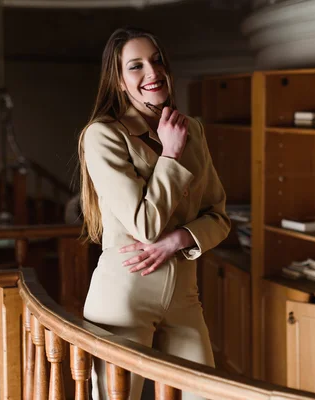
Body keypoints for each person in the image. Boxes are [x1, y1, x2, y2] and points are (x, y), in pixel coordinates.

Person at [77, 26, 230, 400]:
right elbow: (143, 226)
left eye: (157, 60)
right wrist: (170, 155)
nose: (152, 72)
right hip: (125, 295)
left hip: (184, 295)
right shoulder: (103, 135)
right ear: (118, 80)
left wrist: (181, 239)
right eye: (136, 66)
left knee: (208, 394)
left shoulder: (191, 129)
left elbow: (220, 217)